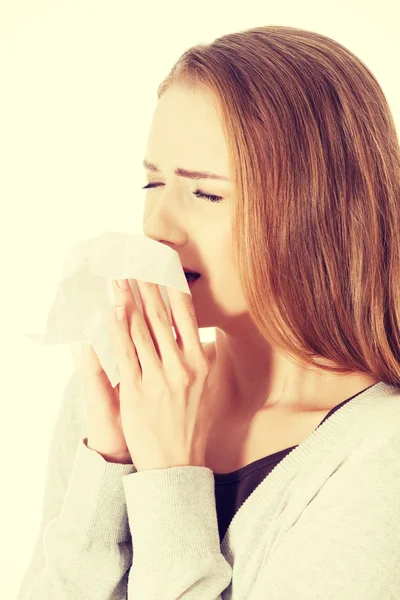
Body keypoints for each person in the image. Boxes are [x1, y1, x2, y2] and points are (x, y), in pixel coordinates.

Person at [17, 25, 400, 599]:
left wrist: (169, 475)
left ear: (319, 211)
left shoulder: (380, 454)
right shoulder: (120, 395)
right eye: (152, 183)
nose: (157, 228)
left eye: (207, 194)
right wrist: (109, 461)